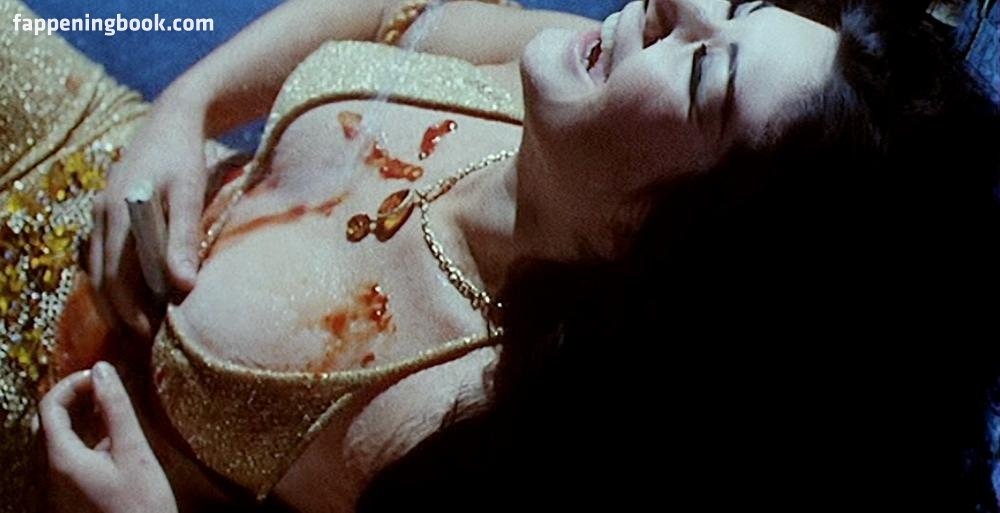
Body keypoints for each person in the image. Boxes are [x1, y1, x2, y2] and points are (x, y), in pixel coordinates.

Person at [3, 0, 994, 511]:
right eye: (735, 6)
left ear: (685, 249)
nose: (673, 4)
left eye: (706, 72)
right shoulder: (574, 69)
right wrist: (182, 114)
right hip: (88, 134)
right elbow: (395, 15)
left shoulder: (463, 441)